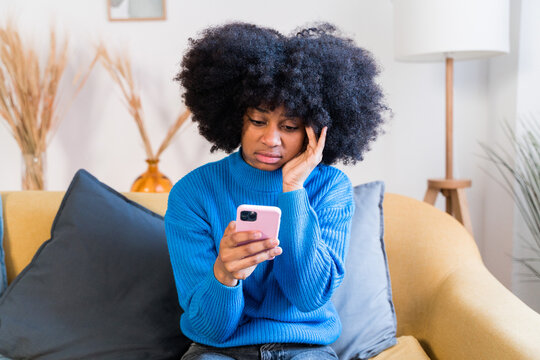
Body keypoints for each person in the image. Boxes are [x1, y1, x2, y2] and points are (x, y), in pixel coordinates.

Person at [164, 22, 388, 359]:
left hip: (306, 349)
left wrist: (294, 190)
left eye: (289, 127)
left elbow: (308, 296)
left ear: (314, 131)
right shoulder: (193, 193)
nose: (271, 139)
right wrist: (225, 273)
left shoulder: (329, 188)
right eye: (258, 121)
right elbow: (211, 329)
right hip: (220, 351)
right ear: (236, 118)